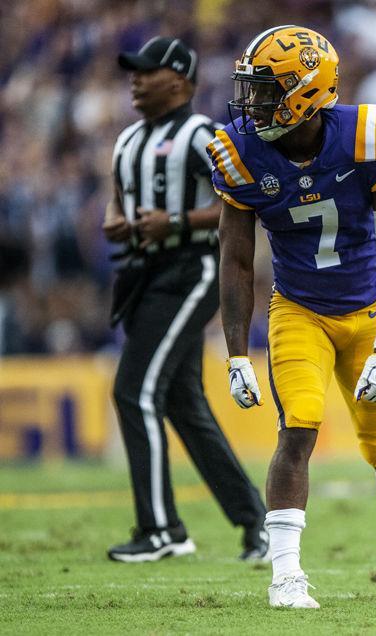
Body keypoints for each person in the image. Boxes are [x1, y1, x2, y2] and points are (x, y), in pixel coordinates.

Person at [207, 26, 376, 608]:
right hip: (298, 308)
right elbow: (233, 260)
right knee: (298, 427)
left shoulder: (367, 137)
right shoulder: (240, 152)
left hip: (368, 308)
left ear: (306, 92)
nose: (251, 103)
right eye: (250, 90)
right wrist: (235, 352)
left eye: (265, 90)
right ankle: (285, 574)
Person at [103, 36, 268, 563]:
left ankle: (161, 529)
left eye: (146, 71)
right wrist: (115, 218)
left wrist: (174, 221)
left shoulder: (202, 135)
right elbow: (118, 194)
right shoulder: (128, 138)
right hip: (143, 273)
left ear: (179, 80)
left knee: (134, 390)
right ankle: (254, 521)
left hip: (191, 268)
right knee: (182, 401)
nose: (135, 79)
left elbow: (240, 199)